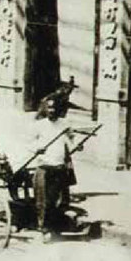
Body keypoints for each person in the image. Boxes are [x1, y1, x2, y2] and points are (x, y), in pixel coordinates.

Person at [31, 89, 75, 240]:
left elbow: (69, 143)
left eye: (54, 108)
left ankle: (54, 228)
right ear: (45, 109)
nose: (52, 110)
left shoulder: (64, 125)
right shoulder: (39, 125)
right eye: (49, 107)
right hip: (44, 167)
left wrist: (76, 146)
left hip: (59, 167)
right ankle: (44, 229)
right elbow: (28, 142)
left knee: (55, 200)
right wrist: (37, 148)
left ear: (59, 109)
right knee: (42, 201)